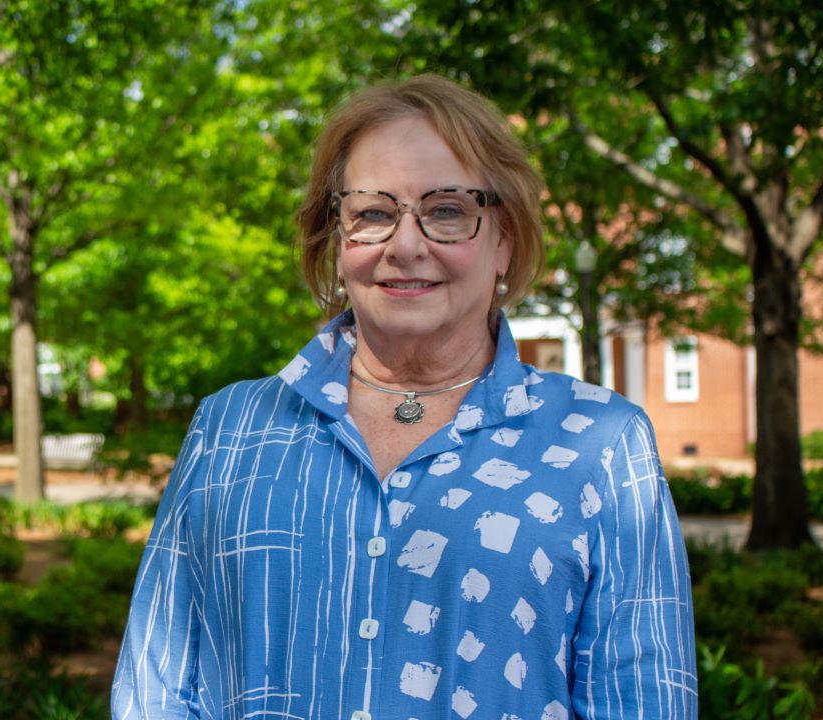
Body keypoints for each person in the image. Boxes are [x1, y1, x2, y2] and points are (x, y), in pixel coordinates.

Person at [112, 75, 696, 720]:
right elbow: (156, 684)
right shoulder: (230, 428)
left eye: (448, 210)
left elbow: (643, 700)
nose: (407, 245)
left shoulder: (600, 443)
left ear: (504, 239)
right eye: (373, 212)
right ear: (335, 241)